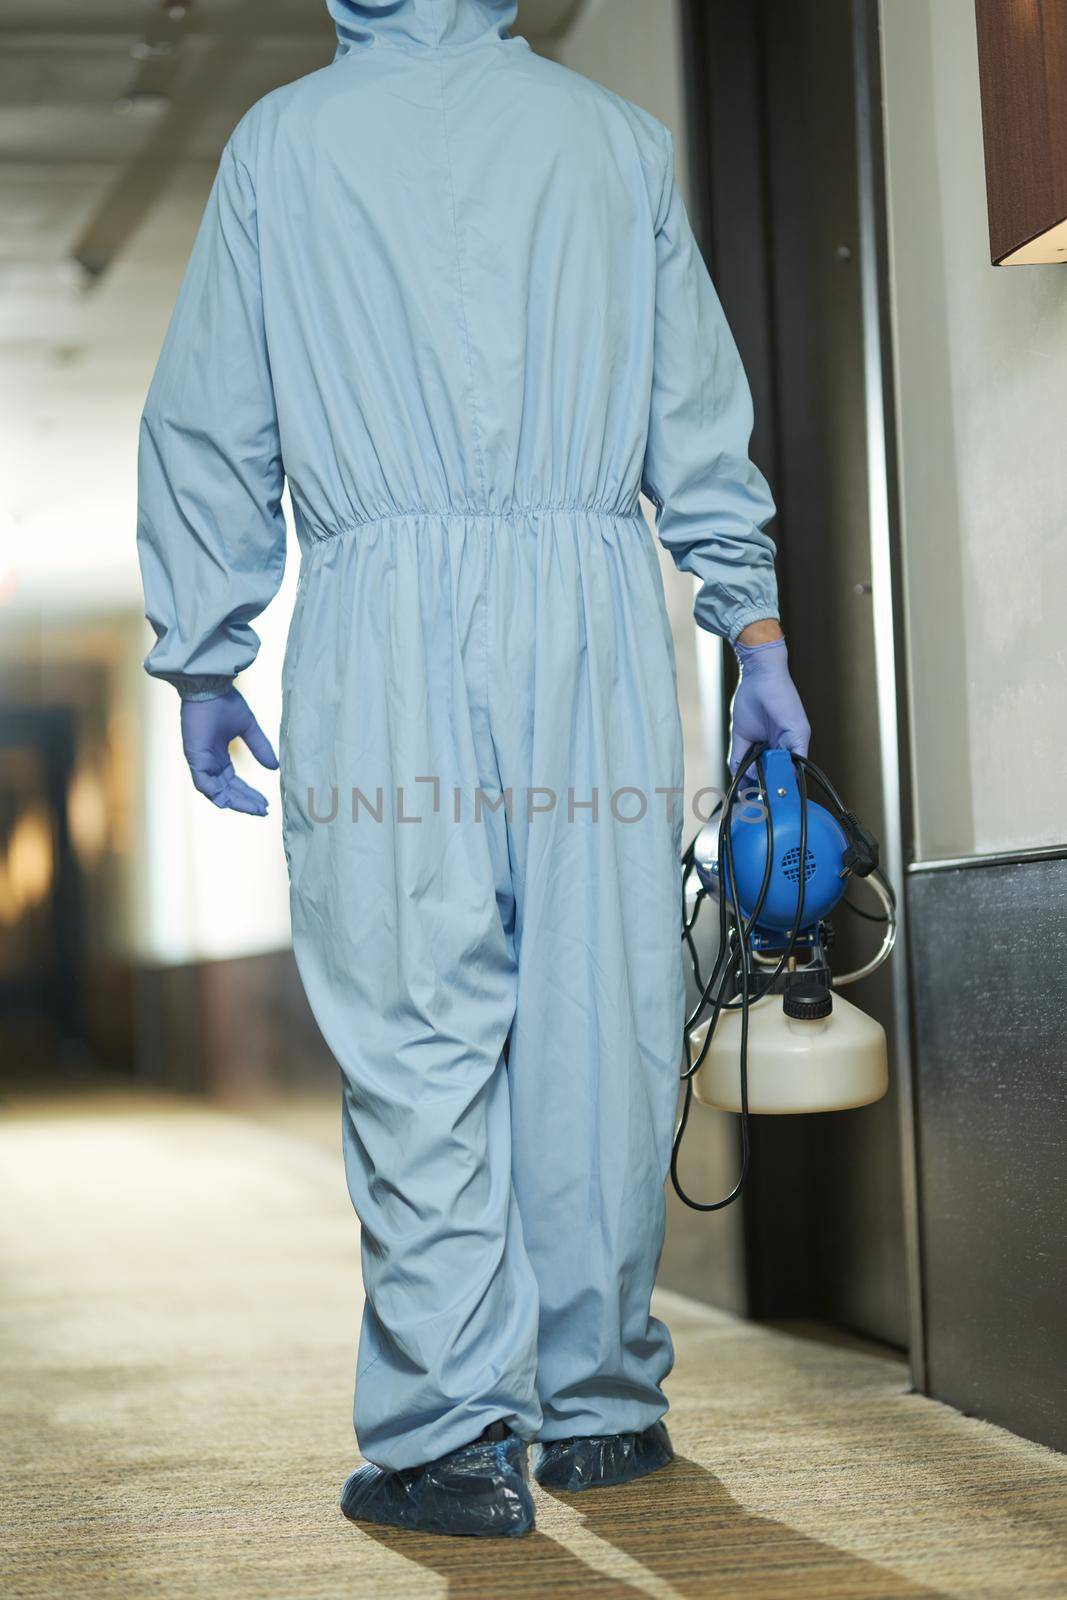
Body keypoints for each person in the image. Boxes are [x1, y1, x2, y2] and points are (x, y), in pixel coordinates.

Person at [137, 0, 810, 1540]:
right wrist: (750, 621)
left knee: (416, 1011)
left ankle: (451, 1437)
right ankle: (600, 1410)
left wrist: (205, 650)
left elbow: (213, 428)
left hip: (381, 618)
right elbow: (693, 412)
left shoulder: (282, 146)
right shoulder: (610, 141)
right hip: (591, 608)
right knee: (604, 1004)